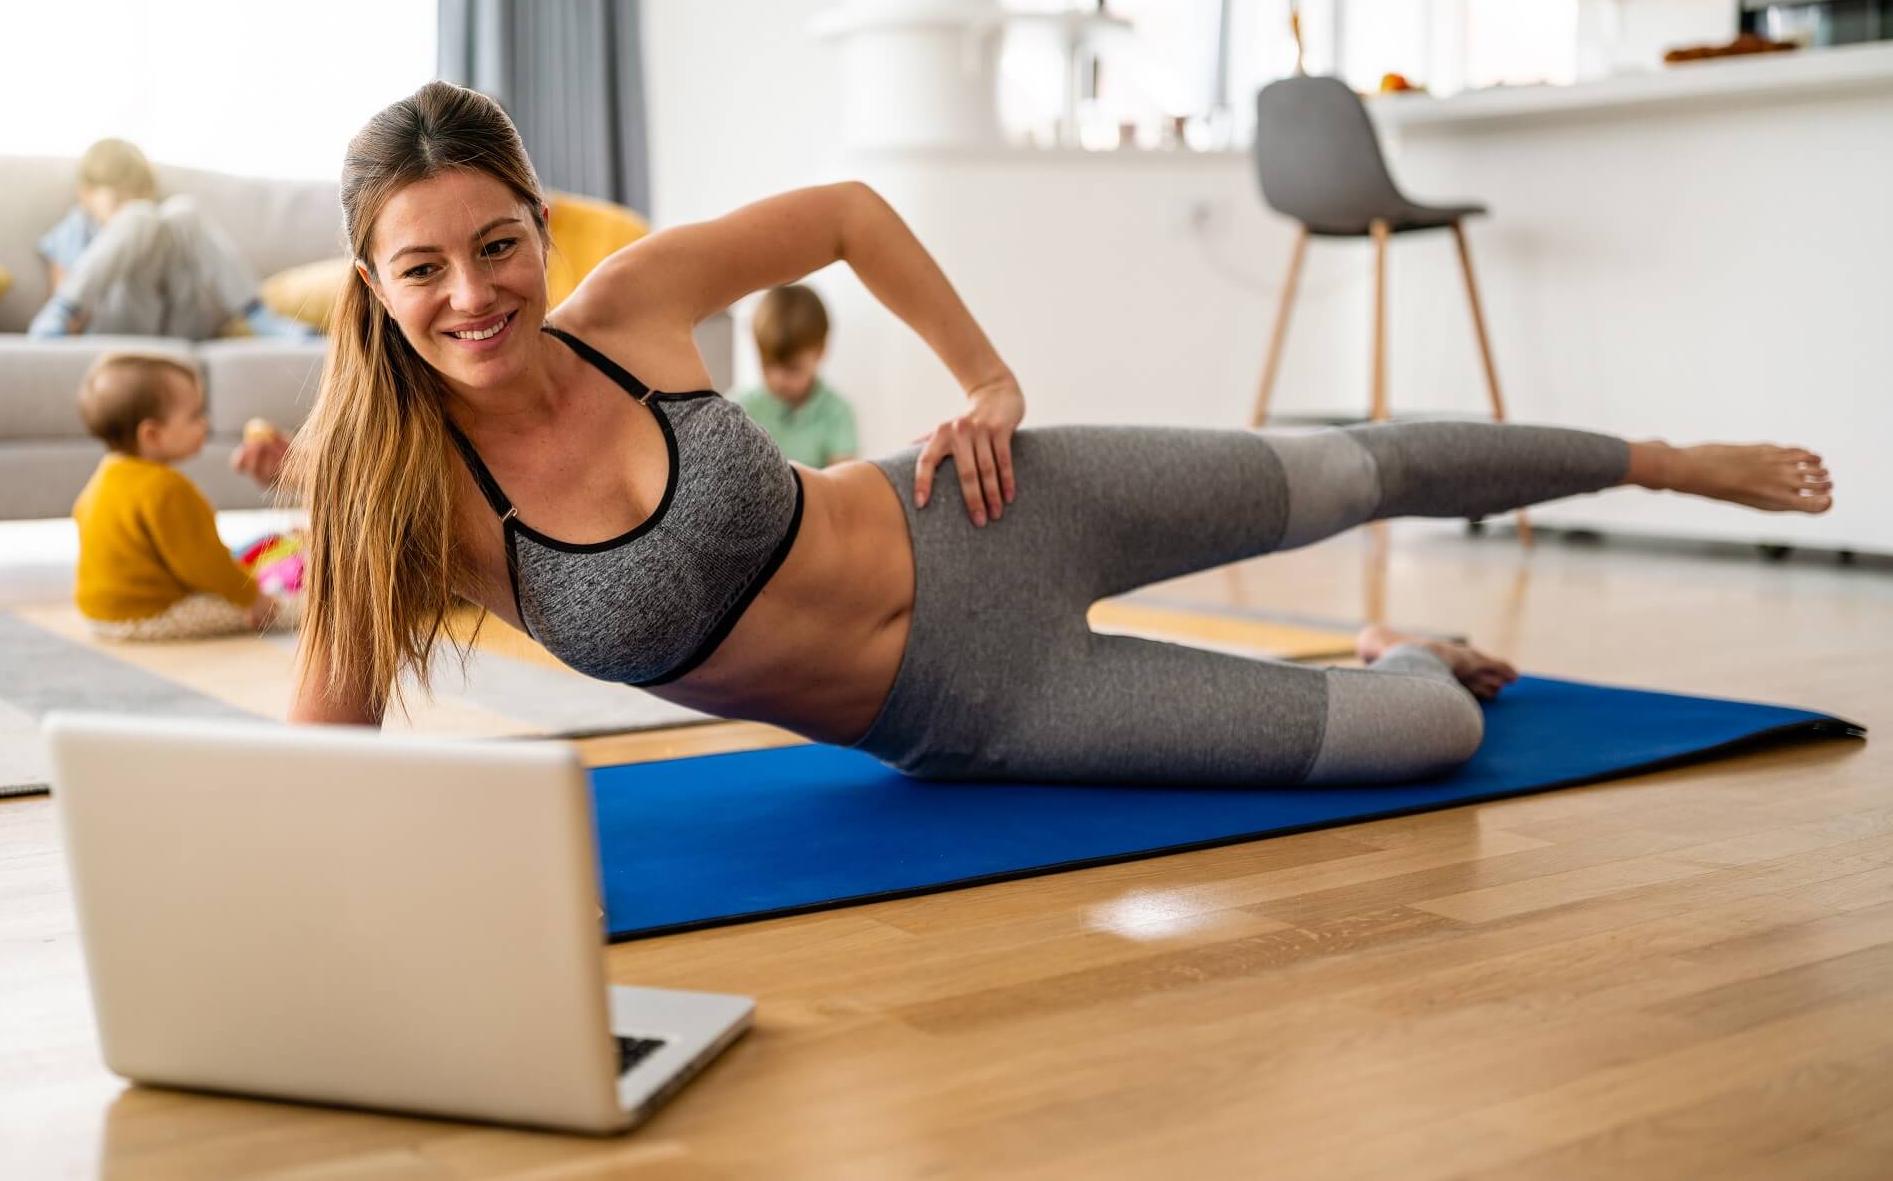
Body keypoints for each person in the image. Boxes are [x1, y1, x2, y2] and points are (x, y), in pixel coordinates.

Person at [276, 81, 1834, 787]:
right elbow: (320, 754)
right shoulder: (398, 500)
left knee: (1356, 464)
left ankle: (1654, 457)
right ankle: (1394, 653)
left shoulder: (631, 306)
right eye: (424, 265)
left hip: (995, 506)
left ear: (539, 229)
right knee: (1427, 739)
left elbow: (844, 214)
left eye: (500, 245)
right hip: (983, 703)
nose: (474, 294)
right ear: (372, 283)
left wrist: (988, 376)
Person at [73, 352, 295, 641]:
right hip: (152, 613)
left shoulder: (102, 479)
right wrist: (254, 598)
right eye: (194, 416)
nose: (205, 423)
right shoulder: (167, 488)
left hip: (98, 614)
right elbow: (205, 565)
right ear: (152, 434)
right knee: (291, 608)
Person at [30, 137, 316, 340]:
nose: (130, 204)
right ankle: (62, 308)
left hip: (179, 324)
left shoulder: (164, 224)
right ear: (86, 193)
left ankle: (258, 317)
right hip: (116, 324)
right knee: (139, 217)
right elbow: (65, 298)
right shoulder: (74, 230)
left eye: (138, 196)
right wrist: (65, 315)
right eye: (119, 200)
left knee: (183, 211)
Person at [735, 282, 858, 467]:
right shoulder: (740, 409)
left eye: (792, 368)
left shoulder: (837, 414)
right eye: (767, 365)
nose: (777, 379)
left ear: (820, 351)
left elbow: (842, 483)